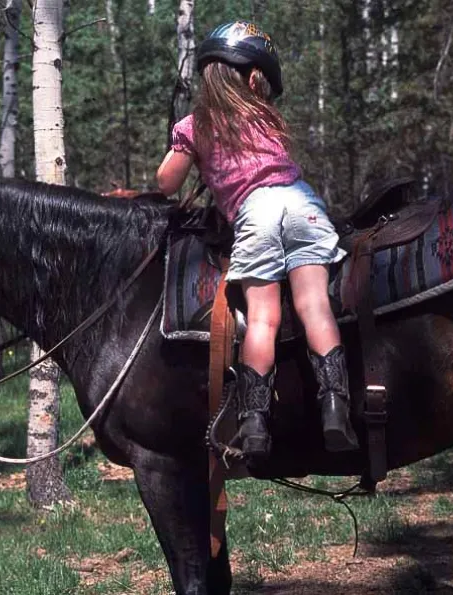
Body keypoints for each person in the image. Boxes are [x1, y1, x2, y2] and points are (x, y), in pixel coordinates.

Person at [156, 21, 358, 460]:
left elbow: (166, 183)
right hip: (302, 203)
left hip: (256, 212)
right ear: (252, 78)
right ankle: (335, 408)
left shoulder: (196, 124)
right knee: (314, 305)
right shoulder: (265, 115)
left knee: (263, 318)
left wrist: (184, 149)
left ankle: (254, 425)